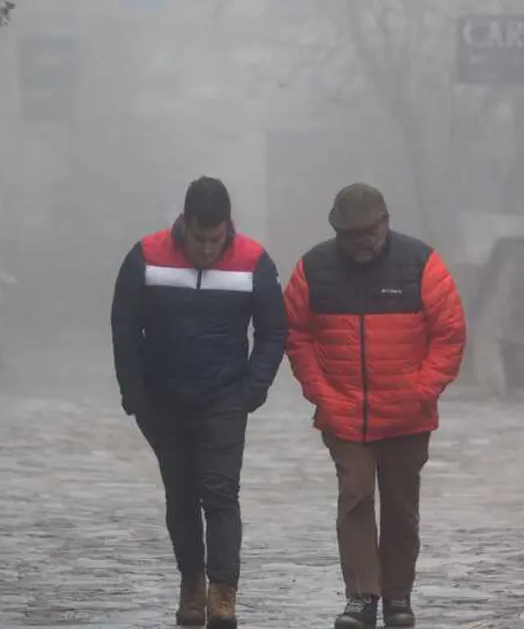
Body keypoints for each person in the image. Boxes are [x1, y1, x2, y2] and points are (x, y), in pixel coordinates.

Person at [282, 183, 466, 629]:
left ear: (385, 222)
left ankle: (398, 596)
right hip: (343, 413)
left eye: (367, 231)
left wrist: (422, 390)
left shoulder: (422, 264)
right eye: (350, 234)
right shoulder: (313, 269)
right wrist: (319, 391)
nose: (360, 241)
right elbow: (296, 334)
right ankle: (363, 597)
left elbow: (450, 333)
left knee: (401, 508)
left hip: (407, 414)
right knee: (356, 496)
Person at [110, 176, 287, 629]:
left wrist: (252, 390)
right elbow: (124, 328)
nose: (208, 248)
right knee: (181, 496)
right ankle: (192, 582)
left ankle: (223, 591)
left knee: (221, 493)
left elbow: (272, 331)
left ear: (228, 225)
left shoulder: (252, 261)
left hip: (224, 398)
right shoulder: (146, 256)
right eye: (200, 238)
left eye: (216, 238)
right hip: (162, 399)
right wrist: (134, 393)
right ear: (184, 223)